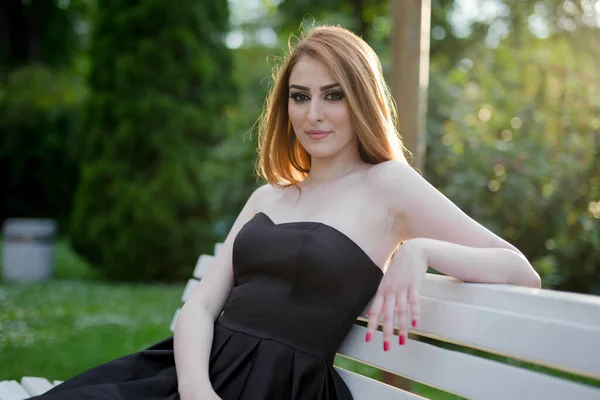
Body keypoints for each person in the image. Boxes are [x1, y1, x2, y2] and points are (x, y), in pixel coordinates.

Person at [33, 25, 541, 400]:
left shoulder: (388, 185)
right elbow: (202, 305)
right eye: (300, 97)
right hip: (192, 375)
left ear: (361, 101)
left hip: (279, 388)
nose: (312, 114)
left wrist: (423, 251)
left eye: (332, 96)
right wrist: (194, 388)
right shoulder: (268, 196)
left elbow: (522, 271)